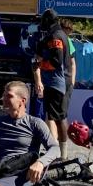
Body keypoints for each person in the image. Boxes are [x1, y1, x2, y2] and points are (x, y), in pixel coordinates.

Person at [32, 8, 75, 143]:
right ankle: (60, 151)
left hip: (57, 81)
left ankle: (61, 152)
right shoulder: (61, 34)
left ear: (48, 21)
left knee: (57, 117)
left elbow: (56, 61)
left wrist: (40, 65)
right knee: (57, 116)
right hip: (63, 80)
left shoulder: (55, 36)